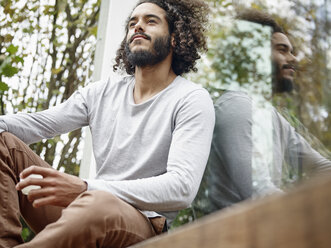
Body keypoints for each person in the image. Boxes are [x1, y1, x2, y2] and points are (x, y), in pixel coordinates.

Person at [0, 1, 214, 247]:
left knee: (99, 202)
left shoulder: (191, 99)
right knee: (3, 142)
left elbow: (182, 188)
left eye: (150, 21)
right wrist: (86, 191)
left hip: (140, 223)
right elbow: (39, 124)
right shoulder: (102, 93)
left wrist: (86, 187)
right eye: (132, 23)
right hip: (85, 208)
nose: (138, 27)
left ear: (175, 39)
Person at [203, 10, 331, 213]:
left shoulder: (271, 117)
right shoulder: (236, 107)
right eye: (282, 50)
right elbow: (260, 194)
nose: (293, 58)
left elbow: (318, 167)